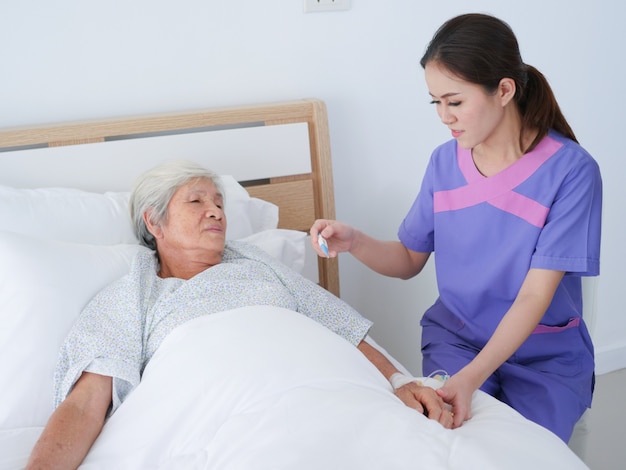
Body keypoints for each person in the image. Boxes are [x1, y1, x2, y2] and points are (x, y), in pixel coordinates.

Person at [26, 160, 453, 469]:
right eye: (196, 201)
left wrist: (398, 381)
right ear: (154, 223)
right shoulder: (131, 295)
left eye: (218, 202)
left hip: (322, 388)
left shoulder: (262, 269)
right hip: (225, 410)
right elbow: (85, 406)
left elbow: (342, 328)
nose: (215, 211)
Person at [310, 13, 602, 443]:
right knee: (455, 442)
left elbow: (534, 295)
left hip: (544, 356)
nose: (444, 116)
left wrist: (470, 378)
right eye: (436, 102)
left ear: (504, 90)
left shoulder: (571, 171)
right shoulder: (444, 163)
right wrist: (355, 241)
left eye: (455, 101)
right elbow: (409, 259)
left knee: (524, 451)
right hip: (458, 340)